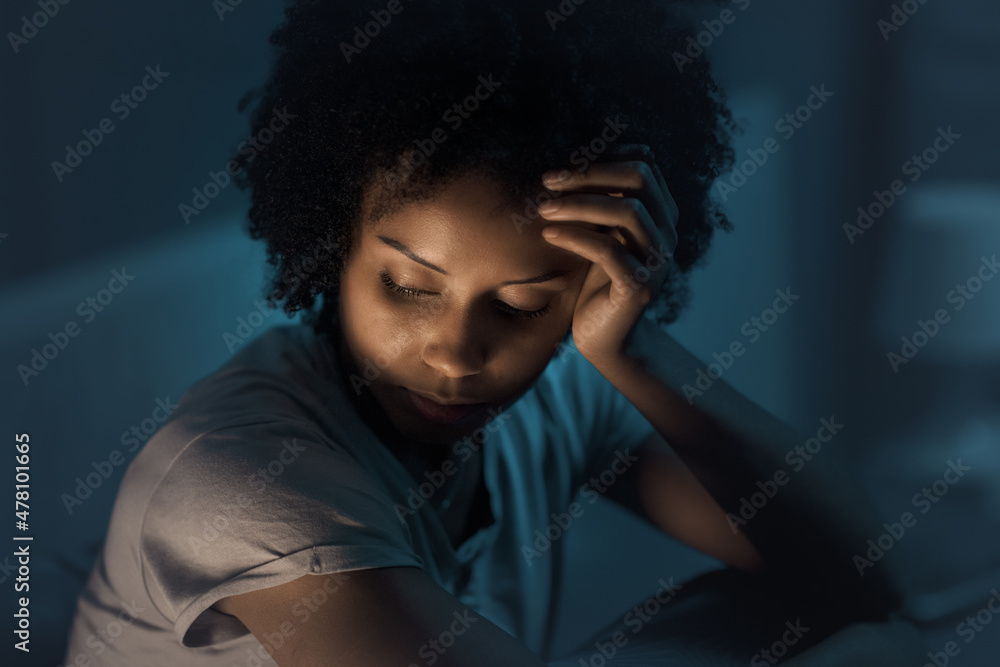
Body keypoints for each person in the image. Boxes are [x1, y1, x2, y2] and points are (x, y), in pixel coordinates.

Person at [63, 1, 919, 665]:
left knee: (783, 611)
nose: (455, 355)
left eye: (518, 307)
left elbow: (858, 572)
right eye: (406, 286)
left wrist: (639, 349)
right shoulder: (237, 479)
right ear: (333, 246)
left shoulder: (561, 397)